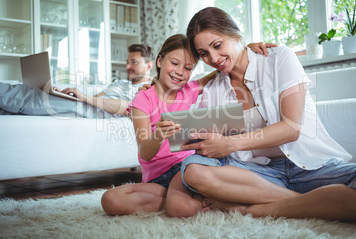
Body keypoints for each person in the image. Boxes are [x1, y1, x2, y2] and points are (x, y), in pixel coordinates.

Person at [171, 7, 356, 220]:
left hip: (307, 165)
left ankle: (251, 210)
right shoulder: (213, 89)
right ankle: (313, 202)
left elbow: (291, 128)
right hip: (258, 175)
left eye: (217, 45)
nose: (213, 58)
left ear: (235, 35)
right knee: (193, 170)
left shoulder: (279, 58)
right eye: (204, 53)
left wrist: (231, 144)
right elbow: (208, 143)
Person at [100, 34, 298, 216]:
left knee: (180, 209)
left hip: (187, 169)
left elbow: (220, 68)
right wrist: (158, 136)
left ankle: (191, 198)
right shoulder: (143, 99)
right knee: (111, 200)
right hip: (157, 178)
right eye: (174, 63)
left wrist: (245, 50)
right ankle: (203, 199)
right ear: (160, 61)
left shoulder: (190, 89)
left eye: (188, 68)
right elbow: (145, 153)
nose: (180, 72)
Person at [0, 44, 154, 118]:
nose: (128, 66)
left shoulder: (148, 90)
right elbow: (99, 97)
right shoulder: (119, 83)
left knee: (24, 97)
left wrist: (84, 98)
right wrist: (66, 96)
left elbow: (128, 109)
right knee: (12, 109)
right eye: (127, 62)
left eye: (134, 62)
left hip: (90, 112)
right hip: (84, 105)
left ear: (149, 66)